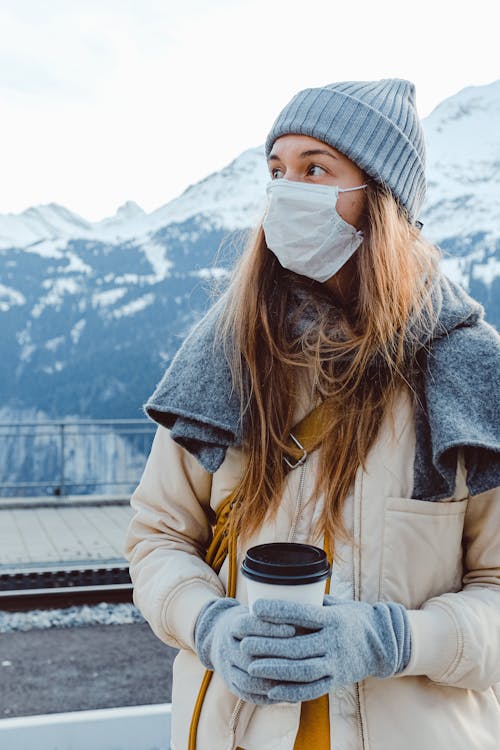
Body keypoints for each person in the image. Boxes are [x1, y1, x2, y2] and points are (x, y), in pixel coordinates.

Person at [124, 78, 500, 750]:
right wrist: (206, 622)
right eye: (276, 171)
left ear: (379, 200)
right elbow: (158, 536)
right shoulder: (226, 354)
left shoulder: (468, 373)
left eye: (315, 169)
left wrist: (397, 640)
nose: (285, 191)